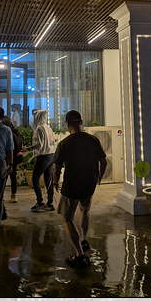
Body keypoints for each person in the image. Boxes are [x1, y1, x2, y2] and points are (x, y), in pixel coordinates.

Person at [53, 110, 107, 268]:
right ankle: (84, 239)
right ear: (81, 123)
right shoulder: (93, 140)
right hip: (89, 183)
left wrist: (55, 182)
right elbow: (103, 161)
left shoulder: (64, 144)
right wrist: (99, 177)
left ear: (67, 124)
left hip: (71, 185)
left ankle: (79, 254)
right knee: (85, 209)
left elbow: (56, 168)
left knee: (68, 217)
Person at [26, 110, 56, 212]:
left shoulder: (39, 128)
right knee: (48, 179)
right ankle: (50, 202)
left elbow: (39, 145)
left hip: (43, 156)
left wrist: (28, 149)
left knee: (35, 178)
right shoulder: (48, 128)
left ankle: (40, 202)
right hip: (51, 155)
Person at [2, 117, 23, 204]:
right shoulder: (16, 133)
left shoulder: (6, 134)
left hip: (6, 157)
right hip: (15, 157)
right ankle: (14, 195)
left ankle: (1, 194)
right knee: (13, 176)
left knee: (3, 177)